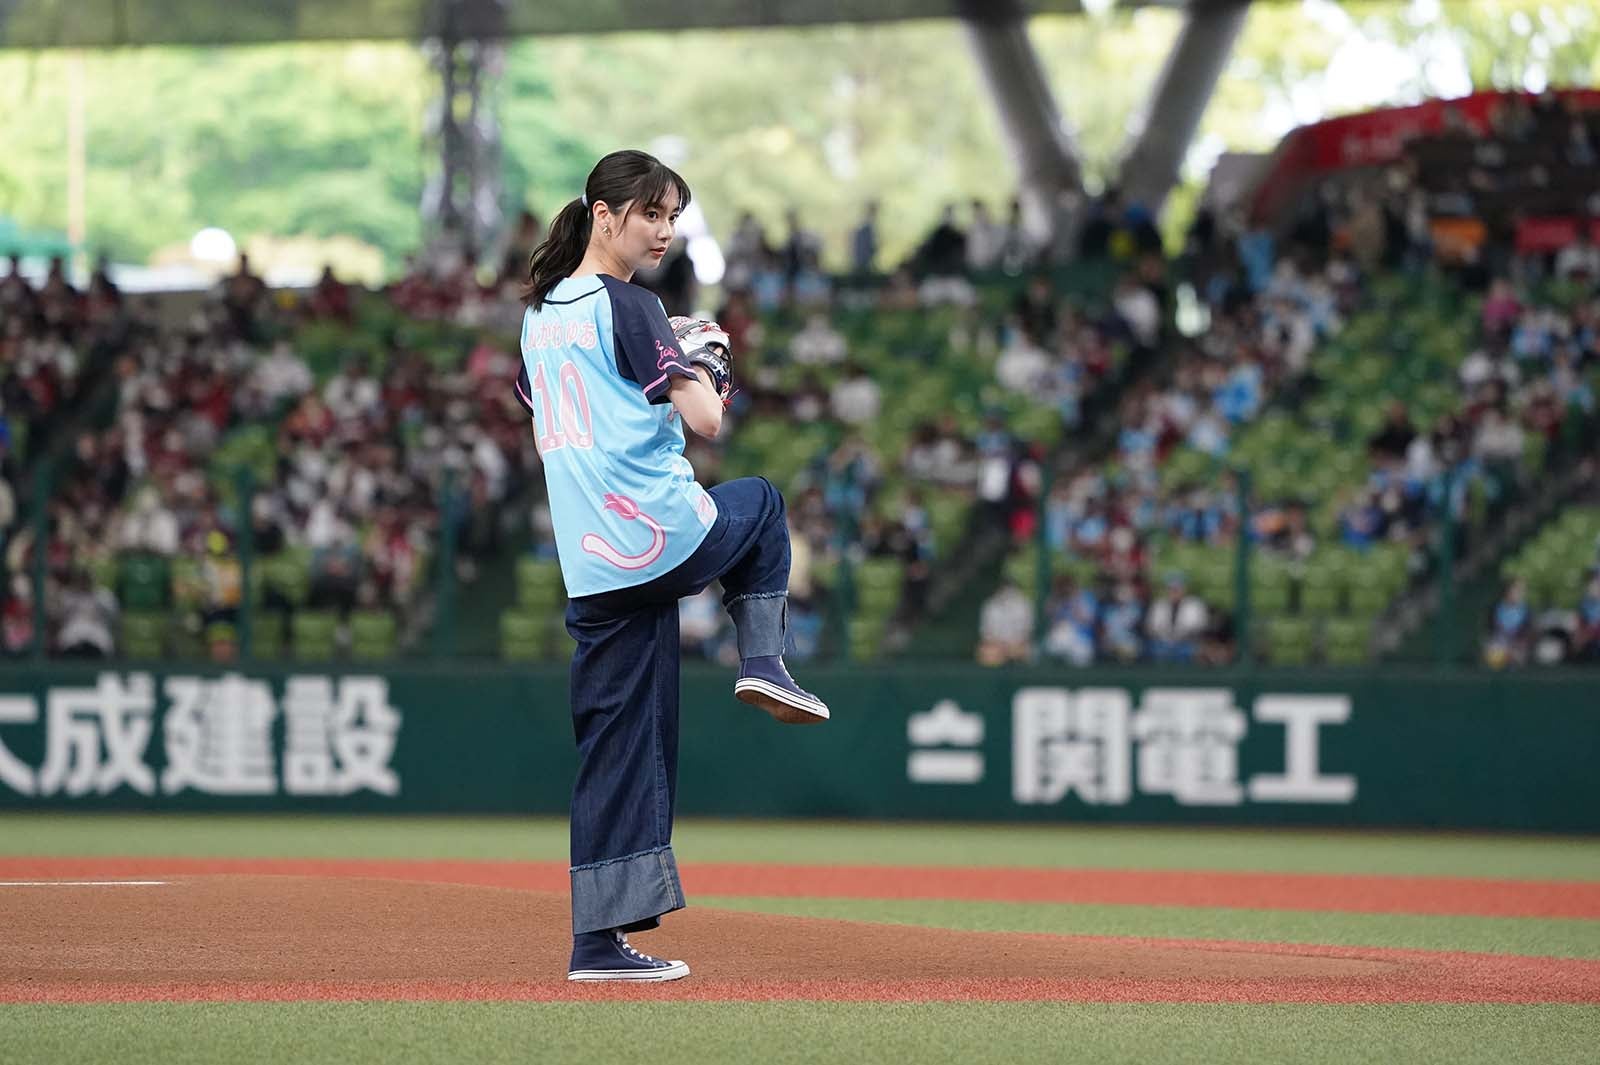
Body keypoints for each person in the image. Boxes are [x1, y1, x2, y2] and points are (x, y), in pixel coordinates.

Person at [516, 150, 829, 985]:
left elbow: (539, 397)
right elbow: (707, 421)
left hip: (591, 566)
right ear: (603, 213)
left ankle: (595, 943)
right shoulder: (631, 304)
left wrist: (662, 358)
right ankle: (763, 660)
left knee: (613, 748)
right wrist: (707, 362)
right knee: (761, 502)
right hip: (661, 535)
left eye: (672, 216)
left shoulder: (539, 314)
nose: (663, 230)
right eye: (650, 212)